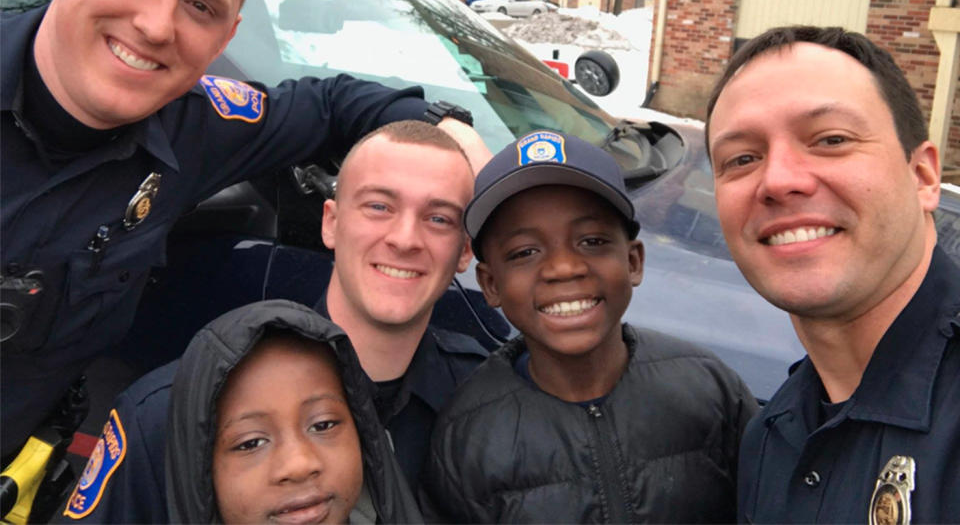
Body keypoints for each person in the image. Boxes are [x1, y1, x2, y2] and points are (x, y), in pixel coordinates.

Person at [0, 0, 488, 458]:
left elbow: (332, 104)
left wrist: (454, 131)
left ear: (226, 36)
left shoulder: (193, 126)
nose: (156, 26)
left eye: (200, 5)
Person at [61, 120, 491, 522]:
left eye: (439, 218)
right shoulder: (173, 411)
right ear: (331, 223)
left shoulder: (486, 404)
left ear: (465, 251)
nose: (404, 239)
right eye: (379, 206)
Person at [422, 130, 757, 523]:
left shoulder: (709, 388)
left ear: (633, 261)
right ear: (491, 284)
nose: (564, 268)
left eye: (593, 241)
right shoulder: (468, 438)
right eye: (525, 252)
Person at [705, 26, 960, 522]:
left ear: (923, 177)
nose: (778, 180)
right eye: (742, 159)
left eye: (831, 139)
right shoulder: (769, 438)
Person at [65, 298, 421, 523]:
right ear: (202, 472)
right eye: (250, 443)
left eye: (324, 424)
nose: (298, 464)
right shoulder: (149, 409)